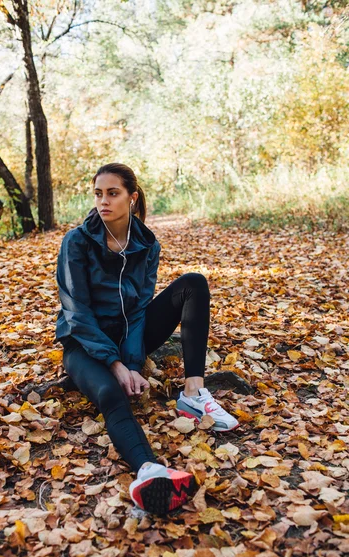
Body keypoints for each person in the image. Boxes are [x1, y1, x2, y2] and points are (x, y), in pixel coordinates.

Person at [55, 163, 239, 517]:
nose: (103, 201)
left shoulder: (145, 243)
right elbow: (76, 311)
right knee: (110, 392)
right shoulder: (76, 241)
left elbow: (140, 308)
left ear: (132, 197)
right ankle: (149, 470)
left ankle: (193, 395)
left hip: (128, 335)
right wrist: (117, 366)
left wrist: (135, 362)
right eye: (98, 193)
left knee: (194, 283)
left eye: (113, 193)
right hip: (83, 342)